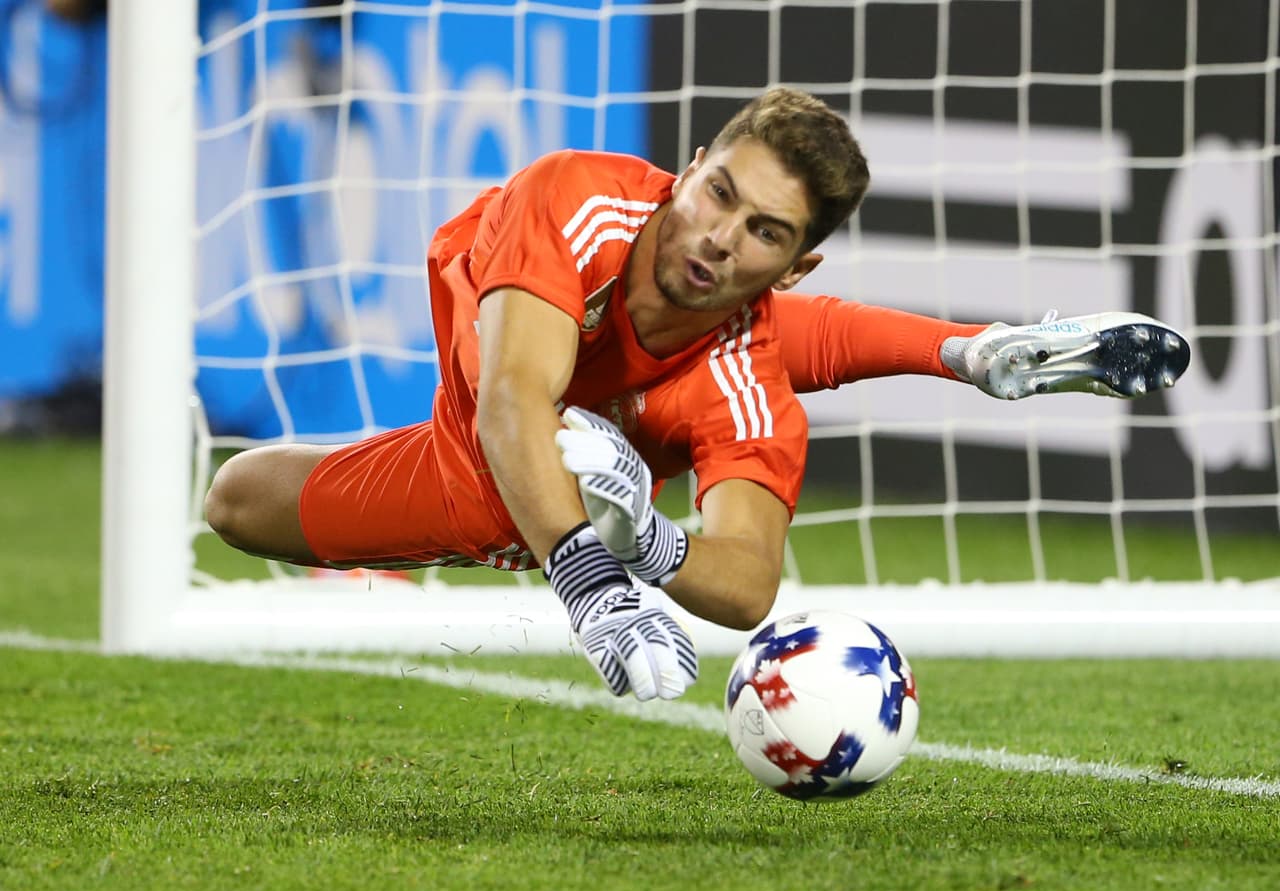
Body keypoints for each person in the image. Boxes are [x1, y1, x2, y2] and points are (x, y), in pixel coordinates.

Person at [204, 87, 1189, 703]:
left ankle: (977, 352)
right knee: (249, 501)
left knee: (744, 343)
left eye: (764, 230)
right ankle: (970, 350)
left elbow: (749, 582)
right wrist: (592, 583)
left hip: (672, 379)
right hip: (502, 391)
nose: (721, 233)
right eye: (718, 193)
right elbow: (509, 403)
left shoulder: (745, 377)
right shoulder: (574, 199)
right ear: (685, 173)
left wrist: (649, 543)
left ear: (798, 260)